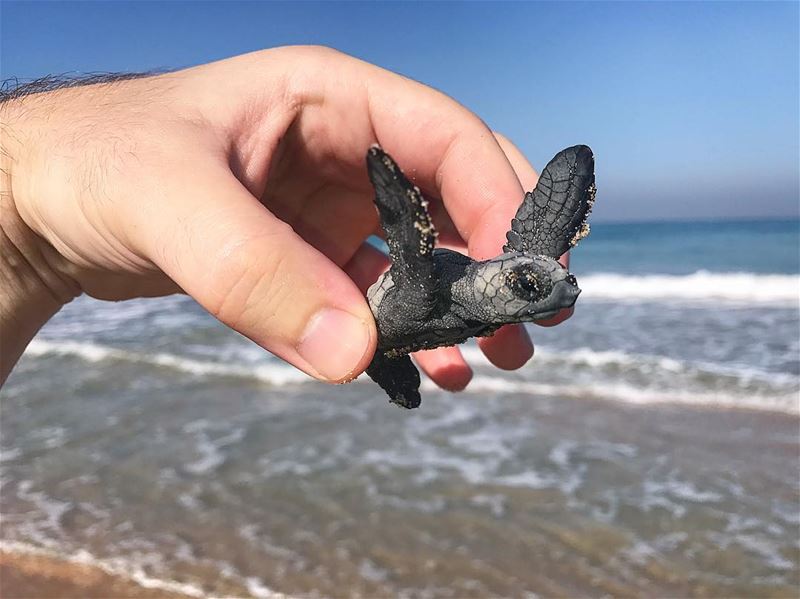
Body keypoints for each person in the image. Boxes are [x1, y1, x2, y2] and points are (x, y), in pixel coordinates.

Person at [0, 46, 572, 389]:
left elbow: (524, 266)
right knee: (396, 317)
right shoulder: (424, 286)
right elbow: (411, 248)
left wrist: (25, 242)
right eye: (526, 281)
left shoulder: (487, 282)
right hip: (389, 320)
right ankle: (388, 368)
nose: (557, 286)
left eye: (534, 280)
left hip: (399, 329)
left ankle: (388, 368)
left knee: (402, 339)